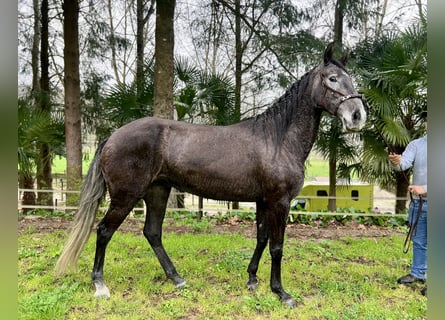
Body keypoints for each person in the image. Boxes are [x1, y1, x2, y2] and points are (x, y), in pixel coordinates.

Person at [388, 111, 427, 296]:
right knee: (418, 240)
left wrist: (426, 188)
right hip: (419, 204)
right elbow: (404, 164)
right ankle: (418, 273)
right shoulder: (416, 144)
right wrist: (397, 161)